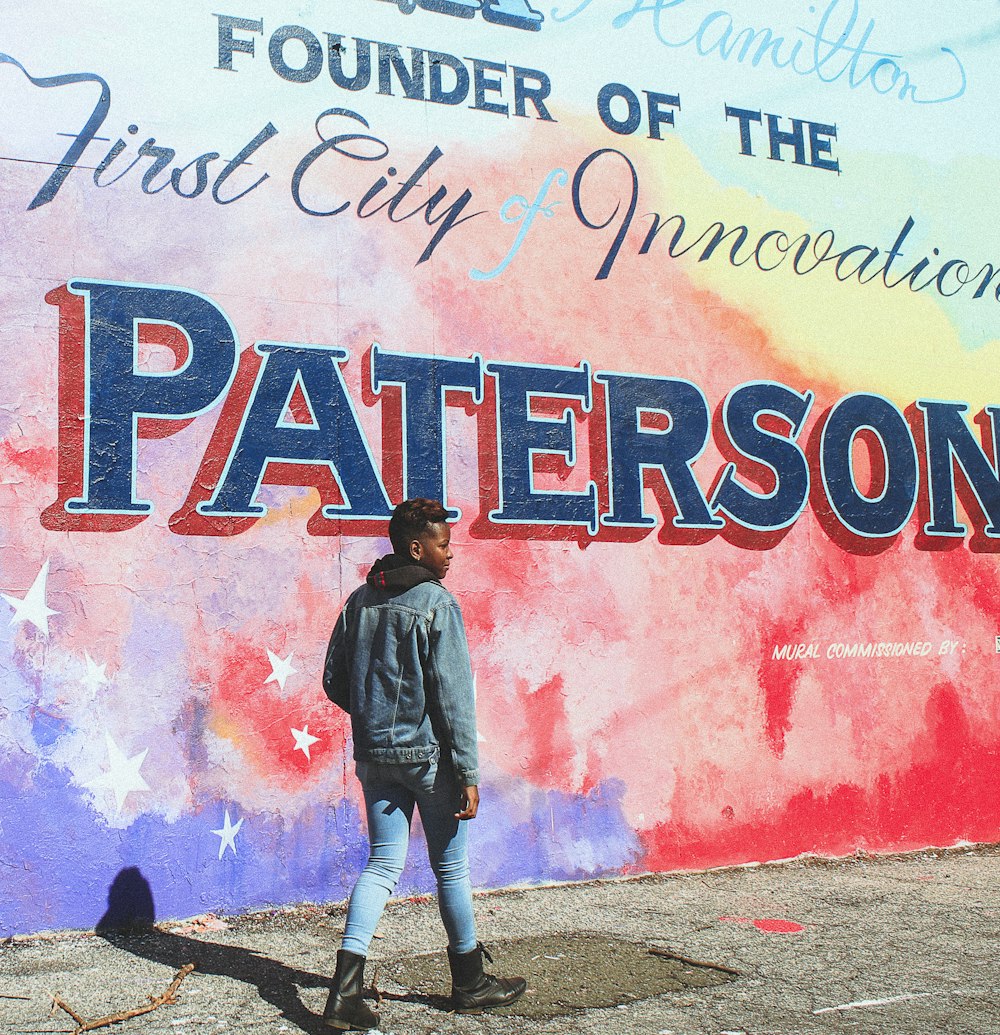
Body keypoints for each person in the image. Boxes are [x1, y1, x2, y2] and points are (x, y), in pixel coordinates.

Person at [322, 498, 526, 1031]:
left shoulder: (360, 600)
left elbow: (333, 680)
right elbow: (454, 696)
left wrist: (371, 719)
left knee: (383, 865)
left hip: (374, 756)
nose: (450, 553)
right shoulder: (438, 603)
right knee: (450, 867)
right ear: (417, 546)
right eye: (442, 543)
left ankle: (343, 992)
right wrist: (469, 772)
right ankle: (469, 982)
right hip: (429, 758)